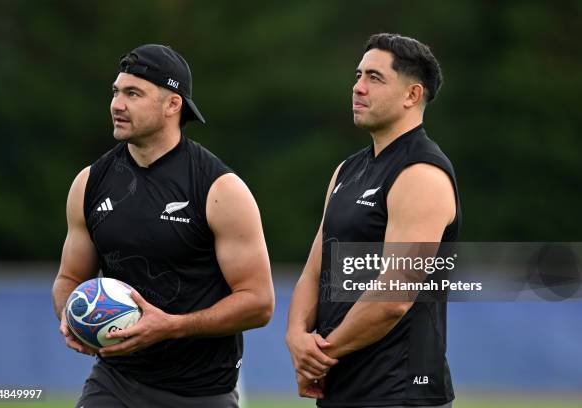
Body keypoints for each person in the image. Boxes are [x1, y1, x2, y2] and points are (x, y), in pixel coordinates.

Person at [52, 44, 274, 408]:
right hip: (115, 382)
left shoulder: (219, 190)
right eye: (116, 92)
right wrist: (70, 316)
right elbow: (69, 279)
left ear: (173, 105)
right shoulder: (89, 183)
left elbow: (259, 303)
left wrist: (172, 325)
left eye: (133, 94)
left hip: (201, 393)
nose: (117, 104)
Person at [286, 33, 460, 407]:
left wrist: (320, 355)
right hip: (343, 388)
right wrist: (296, 337)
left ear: (412, 95)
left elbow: (393, 297)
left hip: (399, 394)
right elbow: (314, 271)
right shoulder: (347, 170)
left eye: (375, 78)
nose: (358, 87)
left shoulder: (421, 174)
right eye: (358, 75)